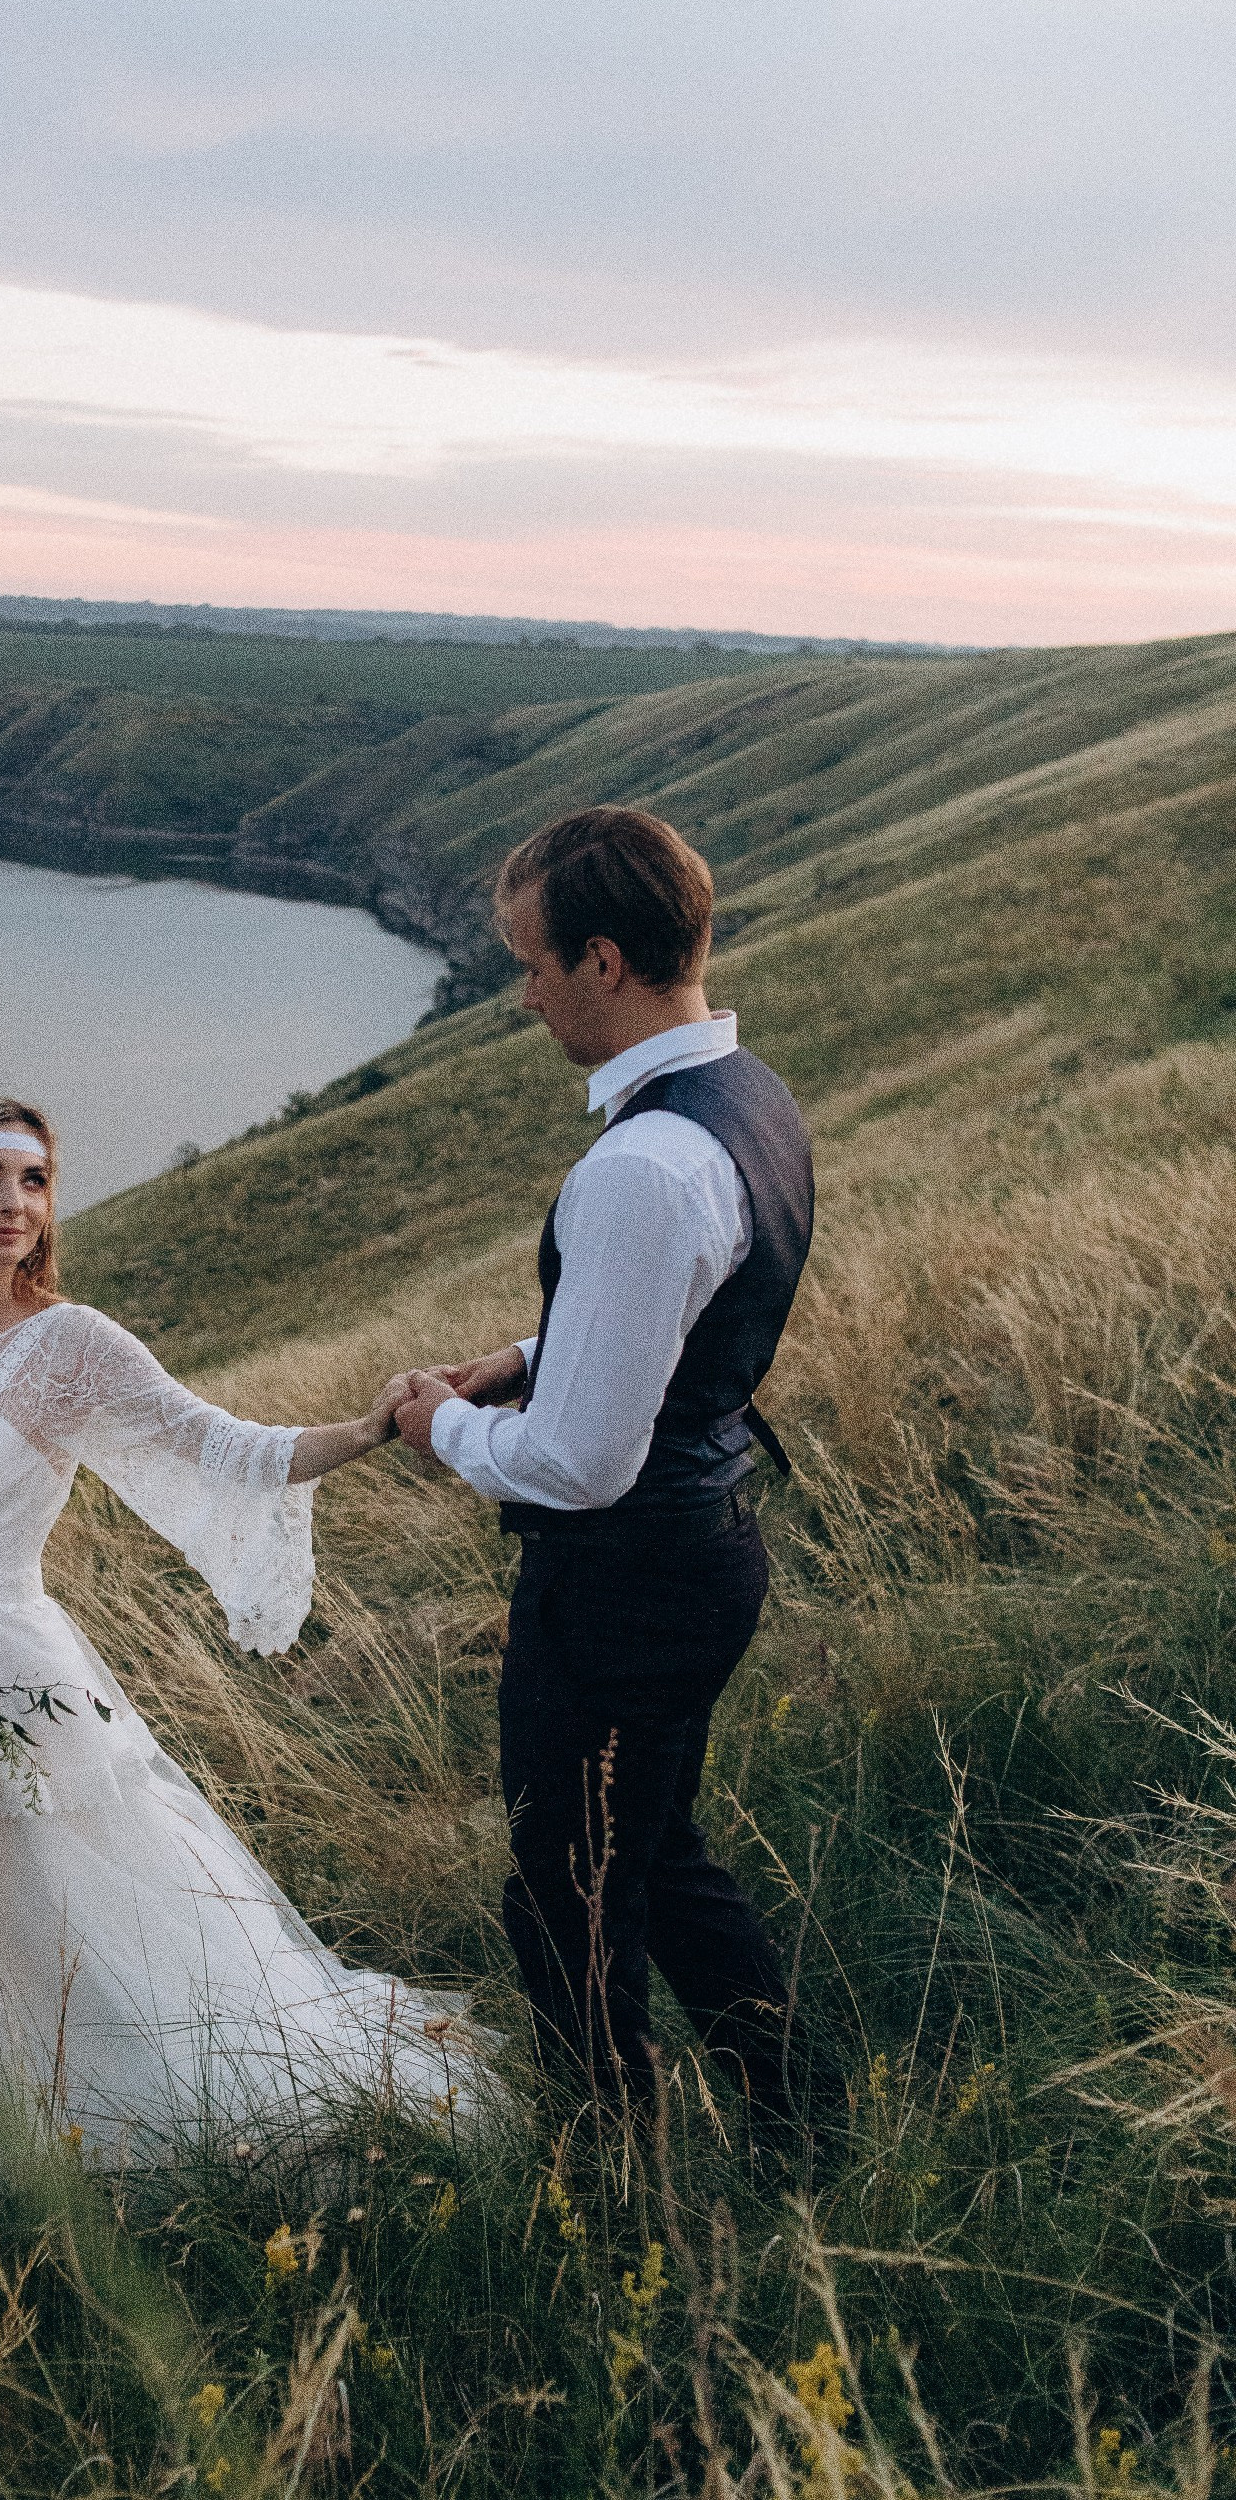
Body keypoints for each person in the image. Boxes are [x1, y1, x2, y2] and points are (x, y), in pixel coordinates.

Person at [0, 1089, 489, 2203]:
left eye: (34, 1181)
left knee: (56, 1928)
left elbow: (223, 1448)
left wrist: (368, 1429)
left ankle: (97, 2144)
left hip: (10, 1682)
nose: (12, 1203)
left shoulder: (66, 1346)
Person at [391, 806, 813, 2132]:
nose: (521, 993)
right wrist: (522, 1358)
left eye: (530, 962)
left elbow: (576, 1464)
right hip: (701, 1550)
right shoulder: (748, 1100)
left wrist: (437, 1425)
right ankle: (799, 2117)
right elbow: (679, 1308)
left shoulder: (638, 1166)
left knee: (566, 1889)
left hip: (625, 1586)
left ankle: (614, 2179)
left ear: (607, 961)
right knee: (657, 1856)